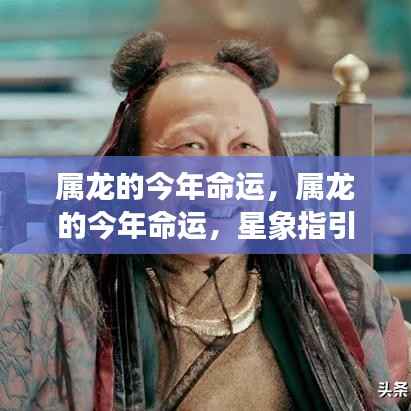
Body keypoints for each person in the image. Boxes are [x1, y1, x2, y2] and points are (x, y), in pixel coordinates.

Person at [0, 31, 410, 411]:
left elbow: (397, 389)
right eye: (190, 146)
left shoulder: (345, 290)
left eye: (245, 147)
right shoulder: (41, 295)